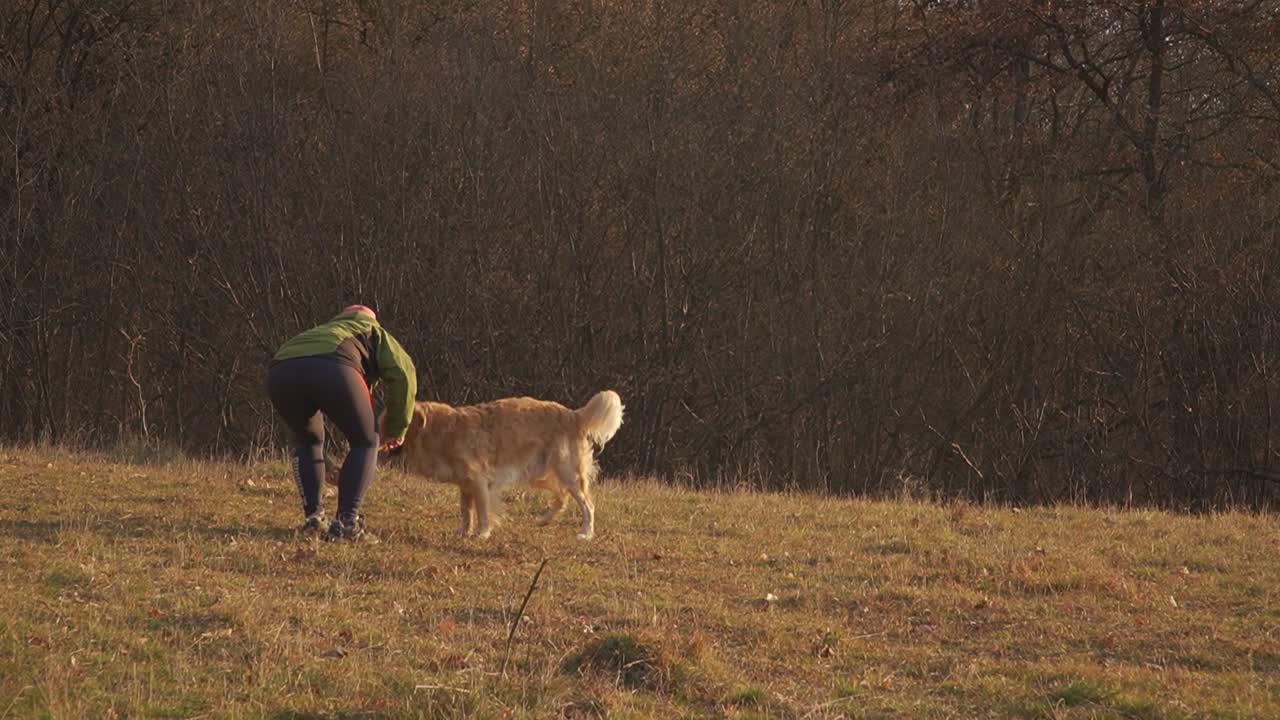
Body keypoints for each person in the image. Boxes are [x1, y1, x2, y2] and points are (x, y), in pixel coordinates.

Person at [266, 304, 417, 542]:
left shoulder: (322, 331)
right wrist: (397, 429)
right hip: (335, 366)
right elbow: (403, 374)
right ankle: (347, 524)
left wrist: (324, 463)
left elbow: (298, 429)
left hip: (280, 371)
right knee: (366, 441)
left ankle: (314, 520)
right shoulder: (374, 332)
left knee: (308, 440)